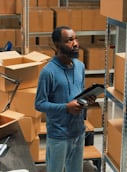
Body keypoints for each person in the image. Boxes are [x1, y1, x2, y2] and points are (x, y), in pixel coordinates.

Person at [35, 26, 96, 172]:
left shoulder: (80, 66)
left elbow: (78, 93)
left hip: (78, 132)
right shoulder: (48, 72)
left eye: (75, 38)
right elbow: (39, 104)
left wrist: (87, 100)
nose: (75, 43)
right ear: (57, 45)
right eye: (69, 40)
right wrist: (65, 107)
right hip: (58, 135)